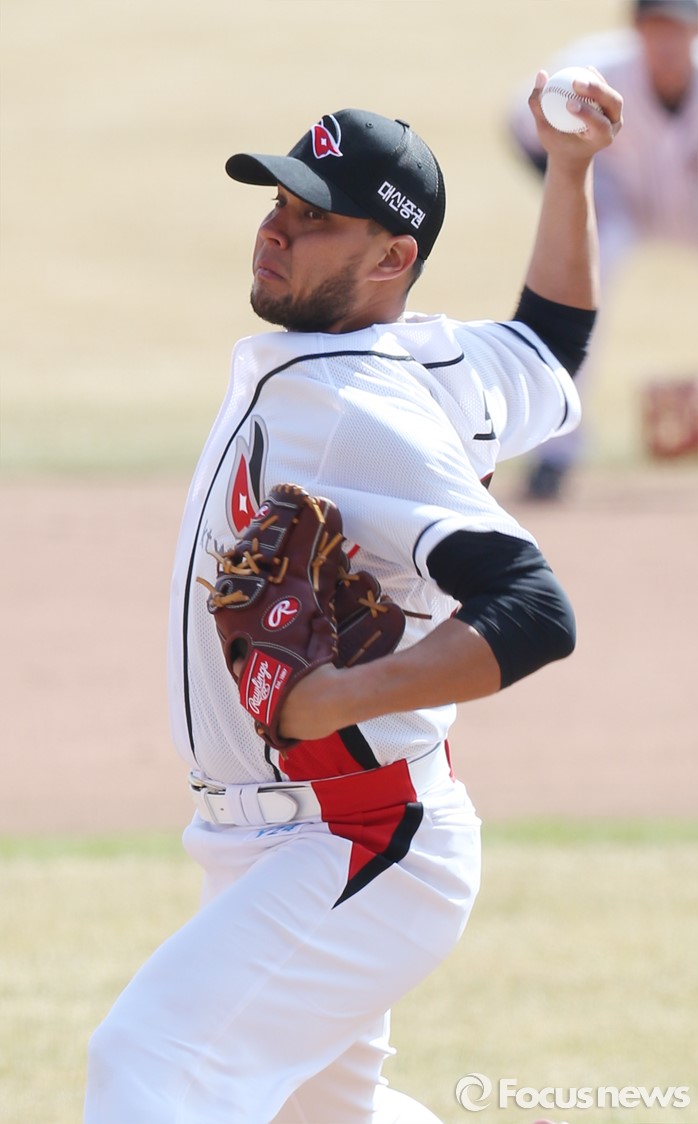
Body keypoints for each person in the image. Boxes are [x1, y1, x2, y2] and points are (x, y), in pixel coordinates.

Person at [84, 70, 622, 1124]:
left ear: (392, 258)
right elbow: (550, 345)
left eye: (315, 218)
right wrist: (569, 173)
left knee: (148, 1065)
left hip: (358, 834)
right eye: (279, 201)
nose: (275, 230)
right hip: (277, 840)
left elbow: (531, 607)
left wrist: (333, 696)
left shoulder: (356, 409)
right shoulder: (427, 360)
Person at [510, 0, 698, 499]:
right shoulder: (592, 73)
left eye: (679, 28)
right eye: (657, 26)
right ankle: (555, 452)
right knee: (586, 274)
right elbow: (520, 124)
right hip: (618, 204)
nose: (667, 41)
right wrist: (573, 188)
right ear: (637, 27)